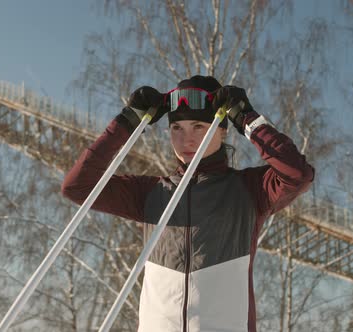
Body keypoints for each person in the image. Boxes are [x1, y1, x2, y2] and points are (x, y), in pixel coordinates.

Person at [61, 75, 314, 332]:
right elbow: (78, 187)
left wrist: (247, 118)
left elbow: (298, 173)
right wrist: (128, 121)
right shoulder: (152, 193)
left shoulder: (250, 190)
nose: (186, 140)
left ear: (222, 130)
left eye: (198, 127)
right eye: (177, 128)